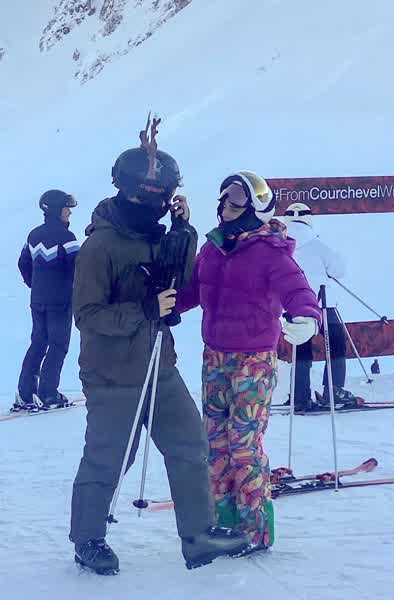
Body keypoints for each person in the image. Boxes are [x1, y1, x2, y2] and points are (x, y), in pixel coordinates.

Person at [69, 117, 249, 576]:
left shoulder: (157, 235)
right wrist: (144, 309)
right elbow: (87, 315)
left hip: (159, 366)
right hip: (113, 375)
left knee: (190, 444)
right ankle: (87, 538)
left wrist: (183, 233)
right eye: (154, 198)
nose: (159, 206)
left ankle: (199, 536)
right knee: (109, 459)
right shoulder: (100, 247)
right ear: (129, 193)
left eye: (166, 198)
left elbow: (181, 282)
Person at [175, 171, 321, 553]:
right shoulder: (213, 247)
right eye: (224, 197)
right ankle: (224, 521)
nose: (226, 205)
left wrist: (307, 316)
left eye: (236, 199)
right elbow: (194, 289)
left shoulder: (270, 251)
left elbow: (298, 288)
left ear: (255, 208)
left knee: (243, 445)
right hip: (214, 358)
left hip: (253, 362)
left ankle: (255, 531)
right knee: (215, 444)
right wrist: (168, 304)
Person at [284, 202, 354, 411]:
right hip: (324, 305)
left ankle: (299, 395)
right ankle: (333, 390)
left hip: (294, 306)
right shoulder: (319, 246)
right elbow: (339, 270)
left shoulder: (281, 247)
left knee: (301, 348)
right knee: (336, 344)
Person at [14, 189, 79, 411]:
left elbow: (23, 264)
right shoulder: (67, 238)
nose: (69, 213)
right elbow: (79, 268)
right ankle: (48, 394)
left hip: (38, 300)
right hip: (60, 302)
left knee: (38, 342)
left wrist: (36, 285)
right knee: (58, 345)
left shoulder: (33, 235)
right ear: (56, 210)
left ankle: (25, 393)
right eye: (66, 209)